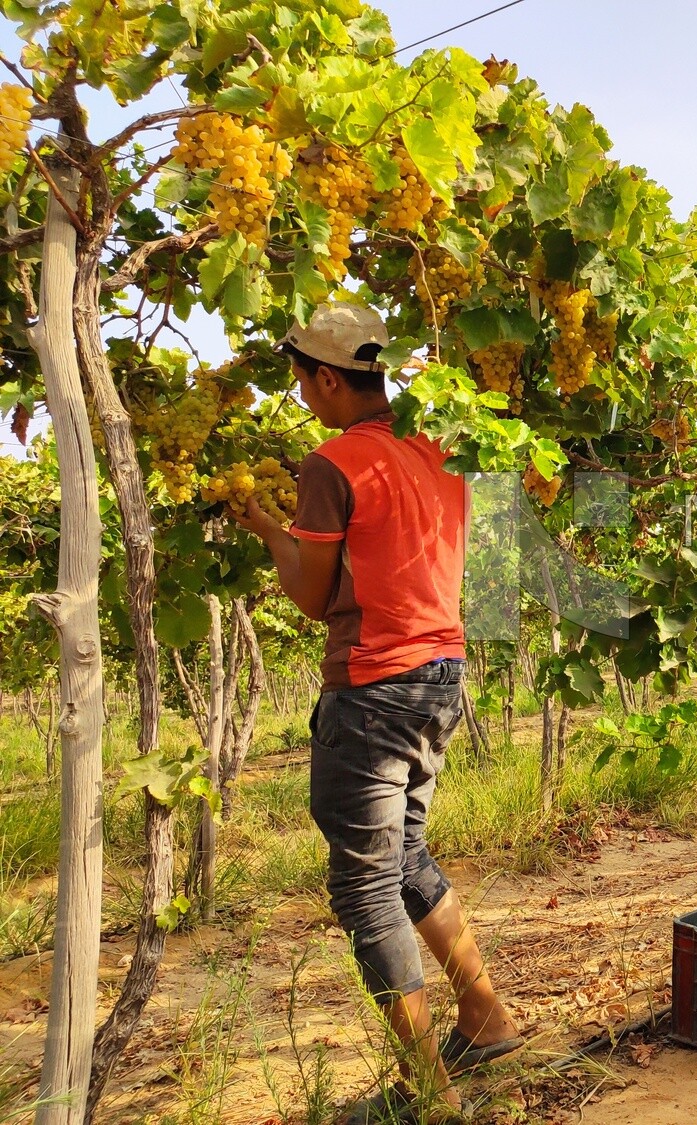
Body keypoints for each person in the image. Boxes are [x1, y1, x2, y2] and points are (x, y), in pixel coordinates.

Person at [232, 302, 522, 1123]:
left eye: (301, 382)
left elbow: (314, 597)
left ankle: (430, 1092)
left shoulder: (332, 463)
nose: (302, 397)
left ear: (328, 378)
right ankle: (487, 1017)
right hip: (442, 677)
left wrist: (264, 525)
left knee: (363, 887)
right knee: (403, 858)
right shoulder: (434, 451)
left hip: (372, 688)